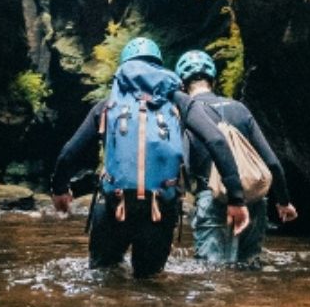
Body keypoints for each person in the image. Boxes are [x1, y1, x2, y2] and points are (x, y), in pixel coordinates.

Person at [51, 37, 249, 278]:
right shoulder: (179, 101)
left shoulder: (108, 104)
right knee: (150, 284)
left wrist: (60, 189)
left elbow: (69, 153)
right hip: (160, 210)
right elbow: (217, 141)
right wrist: (236, 199)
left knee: (102, 279)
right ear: (159, 64)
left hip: (114, 206)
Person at [175, 49, 298, 267]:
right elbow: (271, 163)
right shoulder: (239, 109)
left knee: (210, 274)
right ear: (213, 80)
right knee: (249, 269)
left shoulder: (188, 113)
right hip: (253, 200)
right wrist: (284, 201)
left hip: (211, 197)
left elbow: (181, 163)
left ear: (182, 85)